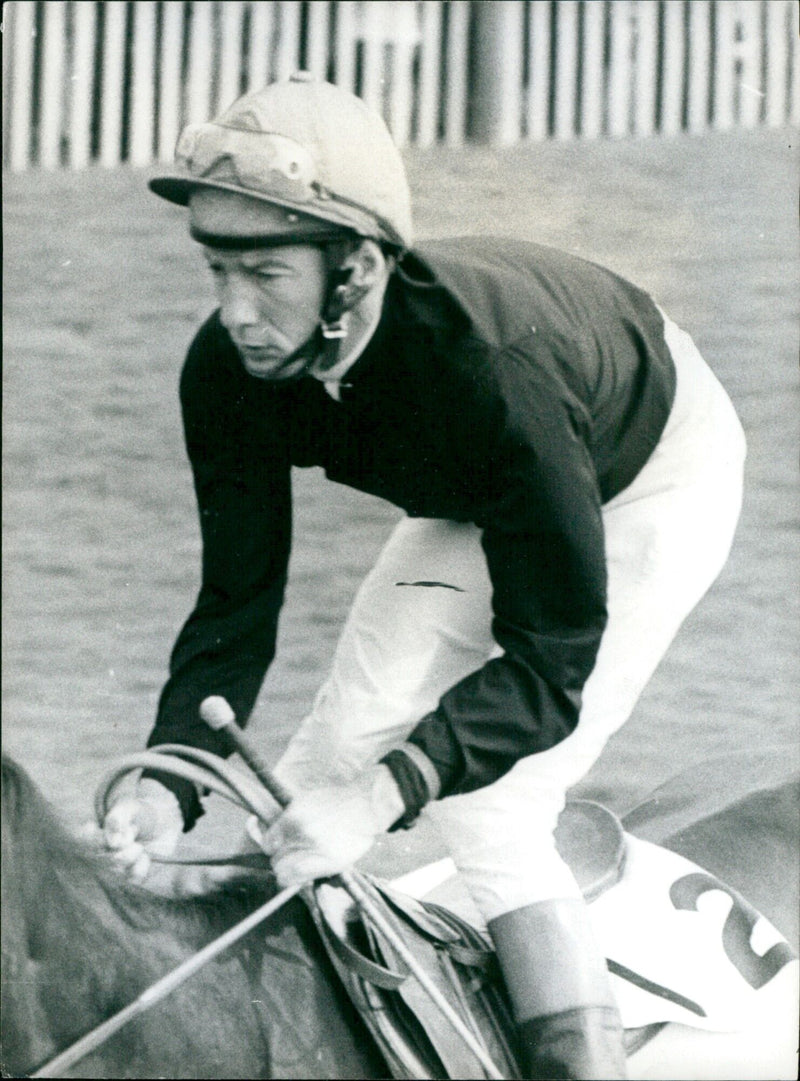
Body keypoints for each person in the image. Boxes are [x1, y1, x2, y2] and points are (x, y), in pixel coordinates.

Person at [102, 73, 746, 1079]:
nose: (231, 311)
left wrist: (387, 793)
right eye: (216, 269)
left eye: (264, 272)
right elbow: (236, 598)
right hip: (483, 480)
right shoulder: (226, 368)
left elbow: (549, 663)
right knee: (313, 775)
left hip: (647, 473)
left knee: (490, 807)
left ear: (355, 270)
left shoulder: (495, 377)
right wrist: (166, 776)